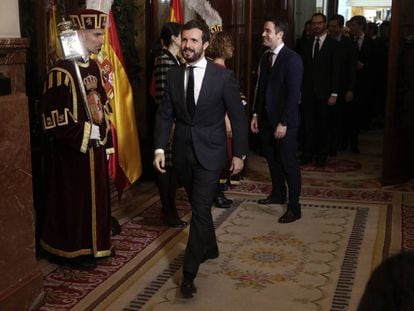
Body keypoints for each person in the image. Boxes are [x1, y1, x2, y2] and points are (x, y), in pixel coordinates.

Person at [153, 19, 248, 298]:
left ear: (205, 44)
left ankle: (189, 272)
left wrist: (240, 154)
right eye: (184, 40)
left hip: (211, 153)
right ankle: (212, 246)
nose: (187, 45)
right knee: (201, 208)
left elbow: (238, 118)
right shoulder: (173, 75)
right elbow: (164, 114)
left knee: (200, 209)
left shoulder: (222, 77)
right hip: (182, 153)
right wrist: (159, 148)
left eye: (194, 41)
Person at [39, 9, 112, 269]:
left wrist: (103, 127)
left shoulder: (92, 66)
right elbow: (52, 119)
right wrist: (83, 132)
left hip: (95, 148)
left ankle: (96, 245)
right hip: (72, 155)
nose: (101, 40)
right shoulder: (61, 71)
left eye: (102, 34)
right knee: (74, 202)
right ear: (80, 33)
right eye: (96, 34)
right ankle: (73, 248)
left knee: (97, 198)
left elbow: (101, 101)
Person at [251, 17, 303, 223]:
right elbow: (260, 88)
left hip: (284, 122)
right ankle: (278, 194)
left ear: (280, 34)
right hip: (265, 120)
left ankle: (294, 207)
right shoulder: (265, 57)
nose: (263, 34)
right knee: (272, 160)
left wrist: (285, 122)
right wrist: (255, 114)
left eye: (267, 31)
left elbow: (293, 95)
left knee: (289, 164)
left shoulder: (293, 59)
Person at [152, 22, 187, 228]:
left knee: (173, 169)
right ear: (174, 38)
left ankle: (171, 210)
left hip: (175, 122)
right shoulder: (164, 59)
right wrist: (171, 124)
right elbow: (164, 98)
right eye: (182, 36)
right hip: (168, 124)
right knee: (165, 169)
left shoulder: (175, 59)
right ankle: (168, 212)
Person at [206, 30, 243, 209]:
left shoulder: (212, 68)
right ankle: (217, 193)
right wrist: (227, 120)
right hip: (221, 121)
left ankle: (217, 191)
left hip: (219, 120)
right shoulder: (220, 71)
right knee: (221, 158)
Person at [300, 12, 340, 167]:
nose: (316, 26)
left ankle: (321, 155)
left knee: (323, 124)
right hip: (308, 92)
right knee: (308, 123)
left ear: (324, 24)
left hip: (325, 93)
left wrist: (334, 93)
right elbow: (303, 70)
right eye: (314, 23)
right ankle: (307, 153)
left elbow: (336, 71)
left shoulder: (333, 45)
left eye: (319, 23)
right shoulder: (306, 43)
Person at [327, 14, 357, 156]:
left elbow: (352, 67)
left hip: (343, 86)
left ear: (340, 27)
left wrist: (350, 89)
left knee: (340, 118)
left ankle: (338, 144)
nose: (331, 29)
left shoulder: (349, 43)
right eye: (330, 26)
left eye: (334, 26)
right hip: (327, 87)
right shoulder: (325, 42)